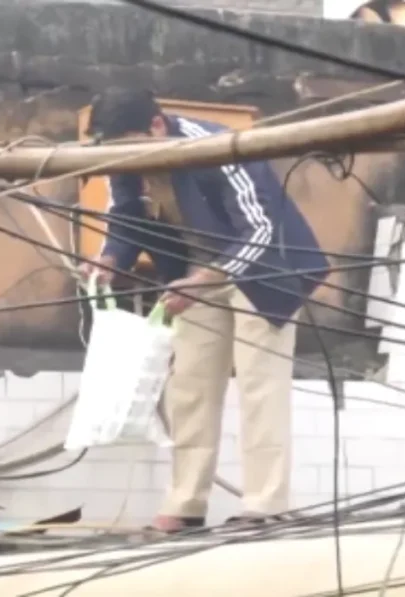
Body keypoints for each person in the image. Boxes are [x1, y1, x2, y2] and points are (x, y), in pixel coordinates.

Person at [82, 89, 330, 532]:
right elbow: (125, 215)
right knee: (189, 387)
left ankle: (265, 504)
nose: (126, 161)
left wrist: (202, 281)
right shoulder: (123, 156)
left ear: (157, 126)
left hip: (264, 270)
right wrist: (110, 258)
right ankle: (186, 502)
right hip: (193, 274)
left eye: (130, 147)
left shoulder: (216, 147)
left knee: (260, 385)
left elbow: (260, 229)